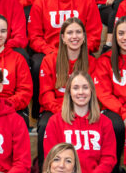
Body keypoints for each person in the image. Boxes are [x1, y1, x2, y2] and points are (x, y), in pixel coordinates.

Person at [38, 18, 96, 158]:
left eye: (78, 32)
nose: (74, 36)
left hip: (83, 109)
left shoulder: (92, 62)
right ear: (63, 38)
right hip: (55, 108)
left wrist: (79, 112)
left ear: (84, 37)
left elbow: (95, 93)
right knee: (44, 126)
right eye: (70, 33)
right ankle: (44, 168)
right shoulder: (49, 60)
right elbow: (46, 94)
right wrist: (63, 111)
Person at [94, 16, 126, 127]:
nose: (125, 37)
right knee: (115, 125)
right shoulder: (105, 61)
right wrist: (123, 113)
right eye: (121, 33)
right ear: (115, 36)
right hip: (113, 110)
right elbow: (104, 95)